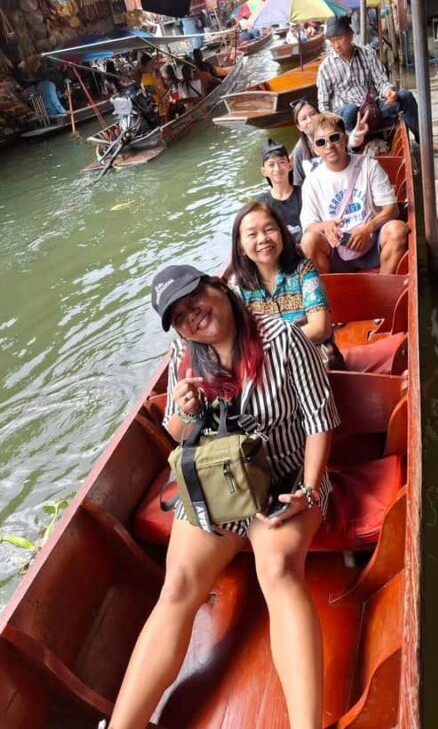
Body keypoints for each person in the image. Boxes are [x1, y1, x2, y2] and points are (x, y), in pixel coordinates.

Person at [106, 264, 339, 729]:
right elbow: (177, 432)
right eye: (179, 316)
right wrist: (186, 412)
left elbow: (321, 420)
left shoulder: (283, 339)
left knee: (277, 569)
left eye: (196, 300)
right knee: (176, 588)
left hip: (286, 482)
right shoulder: (185, 352)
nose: (192, 317)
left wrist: (309, 492)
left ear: (219, 287)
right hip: (220, 484)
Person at [300, 112, 408, 275]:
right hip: (337, 249)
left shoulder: (369, 166)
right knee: (308, 240)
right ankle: (327, 295)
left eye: (334, 137)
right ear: (315, 149)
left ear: (344, 138)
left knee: (397, 230)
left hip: (372, 240)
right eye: (321, 142)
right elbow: (309, 225)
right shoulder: (312, 182)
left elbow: (392, 209)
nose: (329, 146)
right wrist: (325, 226)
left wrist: (367, 229)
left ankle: (386, 289)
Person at [229, 201, 332, 345]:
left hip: (315, 357)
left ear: (282, 233)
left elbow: (320, 329)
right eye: (252, 234)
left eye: (269, 229)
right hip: (268, 365)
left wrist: (269, 345)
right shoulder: (237, 288)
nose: (263, 239)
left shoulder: (304, 270)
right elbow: (237, 340)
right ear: (241, 247)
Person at [317, 15, 420, 141]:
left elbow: (381, 82)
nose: (336, 45)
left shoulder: (367, 53)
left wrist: (389, 92)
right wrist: (331, 123)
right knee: (350, 110)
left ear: (350, 35)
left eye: (339, 38)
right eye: (332, 41)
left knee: (405, 96)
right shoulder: (325, 67)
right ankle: (349, 149)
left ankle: (422, 140)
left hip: (371, 110)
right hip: (347, 119)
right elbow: (323, 105)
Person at [290, 99, 373, 187]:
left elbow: (351, 142)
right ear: (299, 127)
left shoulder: (334, 131)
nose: (310, 120)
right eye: (304, 119)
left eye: (313, 114)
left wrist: (356, 136)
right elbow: (299, 184)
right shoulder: (299, 151)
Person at [257, 138, 303, 240]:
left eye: (281, 162)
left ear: (290, 165)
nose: (277, 168)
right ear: (264, 171)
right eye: (271, 165)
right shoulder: (262, 203)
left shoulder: (305, 193)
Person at [139, 53, 169, 122]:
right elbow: (153, 96)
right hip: (160, 109)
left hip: (165, 104)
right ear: (144, 67)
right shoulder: (146, 79)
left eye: (152, 63)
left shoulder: (153, 74)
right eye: (149, 65)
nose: (152, 66)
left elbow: (161, 86)